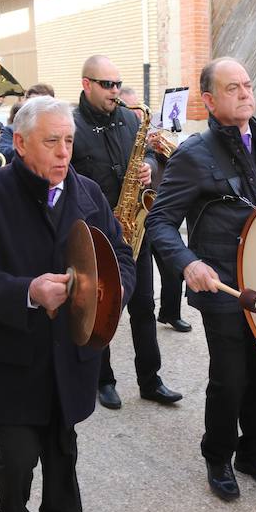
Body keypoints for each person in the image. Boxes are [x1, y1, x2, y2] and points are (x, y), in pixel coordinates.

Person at [0, 96, 135, 512]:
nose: (63, 152)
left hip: (71, 351)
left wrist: (104, 302)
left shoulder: (88, 192)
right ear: (20, 142)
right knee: (16, 456)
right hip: (10, 353)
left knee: (62, 443)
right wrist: (27, 291)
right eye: (51, 141)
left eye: (69, 141)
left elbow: (122, 260)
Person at [146, 57, 256, 501]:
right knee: (229, 377)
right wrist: (189, 263)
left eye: (248, 85)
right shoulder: (193, 155)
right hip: (223, 284)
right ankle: (218, 456)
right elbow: (160, 222)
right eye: (234, 88)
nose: (246, 94)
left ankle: (254, 452)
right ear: (209, 100)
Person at [71, 55, 181, 410]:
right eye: (107, 84)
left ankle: (150, 380)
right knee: (104, 308)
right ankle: (103, 380)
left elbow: (148, 154)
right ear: (87, 84)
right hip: (98, 232)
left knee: (144, 307)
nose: (115, 91)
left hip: (135, 226)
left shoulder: (128, 118)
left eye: (118, 84)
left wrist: (149, 168)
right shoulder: (72, 125)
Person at [118, 86, 191, 334]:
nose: (136, 118)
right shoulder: (121, 133)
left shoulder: (152, 133)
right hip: (131, 212)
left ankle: (170, 313)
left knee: (172, 268)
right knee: (139, 281)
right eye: (130, 110)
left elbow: (172, 159)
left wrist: (155, 154)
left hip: (154, 206)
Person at [0, 83, 55, 160]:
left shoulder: (60, 130)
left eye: (39, 104)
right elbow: (2, 154)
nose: (34, 107)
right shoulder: (11, 129)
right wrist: (25, 145)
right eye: (30, 103)